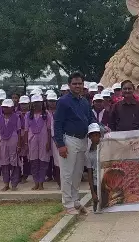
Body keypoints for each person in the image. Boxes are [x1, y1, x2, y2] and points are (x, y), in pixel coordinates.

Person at [55, 72, 96, 215]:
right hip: (69, 140)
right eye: (75, 83)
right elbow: (57, 124)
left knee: (78, 173)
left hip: (83, 139)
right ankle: (67, 204)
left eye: (80, 83)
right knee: (67, 173)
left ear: (83, 85)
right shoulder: (63, 101)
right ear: (69, 85)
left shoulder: (84, 101)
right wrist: (60, 144)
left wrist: (101, 128)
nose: (78, 86)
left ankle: (75, 200)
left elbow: (91, 118)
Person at [25, 94, 51, 191]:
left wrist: (48, 142)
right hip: (32, 140)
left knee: (43, 161)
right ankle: (36, 182)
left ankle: (41, 183)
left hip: (44, 139)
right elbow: (26, 130)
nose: (37, 104)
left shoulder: (46, 114)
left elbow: (49, 129)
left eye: (39, 102)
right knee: (34, 161)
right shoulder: (28, 115)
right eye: (35, 103)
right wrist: (26, 144)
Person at [0, 99, 21, 191]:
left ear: (12, 108)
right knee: (4, 163)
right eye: (4, 107)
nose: (5, 109)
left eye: (7, 107)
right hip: (3, 140)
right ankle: (6, 183)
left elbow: (19, 131)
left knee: (14, 162)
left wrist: (19, 144)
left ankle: (14, 183)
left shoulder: (16, 117)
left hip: (13, 140)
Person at [86, 123, 101, 212]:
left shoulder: (105, 148)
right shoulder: (88, 154)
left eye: (97, 135)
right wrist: (93, 193)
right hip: (96, 182)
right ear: (90, 137)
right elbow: (89, 173)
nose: (96, 138)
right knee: (97, 206)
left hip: (104, 179)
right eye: (93, 136)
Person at [46, 92, 58, 184]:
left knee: (56, 157)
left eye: (53, 101)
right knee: (48, 157)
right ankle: (49, 175)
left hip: (56, 137)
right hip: (45, 136)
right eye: (50, 101)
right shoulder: (45, 113)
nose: (52, 103)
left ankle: (56, 175)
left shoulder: (59, 112)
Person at [17, 96, 30, 184]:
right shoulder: (16, 114)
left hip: (28, 135)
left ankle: (25, 175)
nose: (23, 106)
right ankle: (17, 175)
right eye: (22, 104)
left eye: (25, 104)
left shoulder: (30, 114)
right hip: (18, 136)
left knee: (26, 158)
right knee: (17, 157)